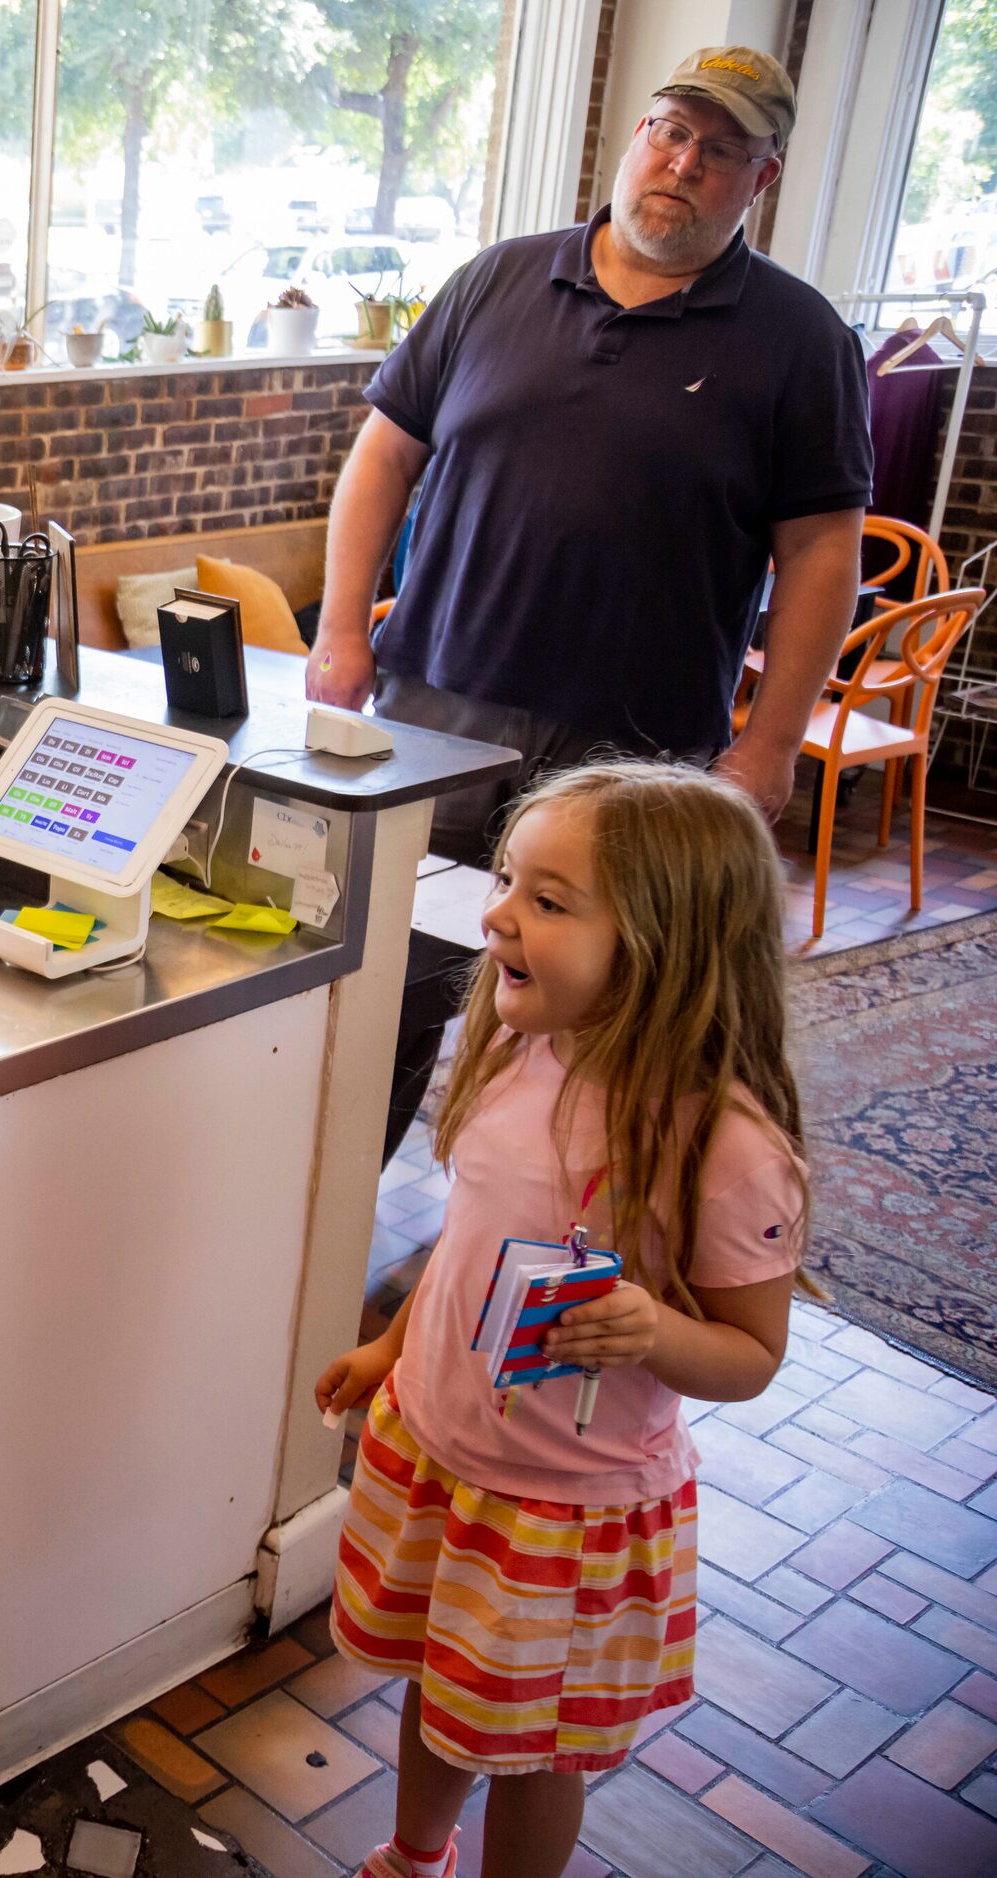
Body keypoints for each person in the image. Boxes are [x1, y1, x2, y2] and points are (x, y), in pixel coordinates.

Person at [304, 46, 872, 1161]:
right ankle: (329, 1239)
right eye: (666, 131)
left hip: (636, 752)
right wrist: (336, 628)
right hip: (437, 714)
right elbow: (380, 458)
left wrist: (768, 744)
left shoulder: (801, 341)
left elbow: (819, 552)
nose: (680, 164)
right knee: (384, 988)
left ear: (759, 180)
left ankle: (538, 1262)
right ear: (633, 138)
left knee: (597, 1030)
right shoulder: (496, 280)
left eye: (720, 151)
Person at [312, 763, 812, 1878]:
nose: (495, 915)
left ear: (664, 944)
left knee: (534, 1751)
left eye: (546, 900)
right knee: (442, 1693)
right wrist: (389, 1348)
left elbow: (751, 1356)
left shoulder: (727, 1157)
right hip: (440, 1452)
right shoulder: (517, 1056)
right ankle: (413, 1852)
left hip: (560, 1516)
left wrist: (651, 1333)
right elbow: (466, 1243)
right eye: (505, 881)